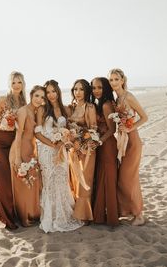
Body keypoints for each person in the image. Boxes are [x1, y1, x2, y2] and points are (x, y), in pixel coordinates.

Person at [35, 80, 83, 233]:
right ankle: (51, 216)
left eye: (53, 91)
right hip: (47, 151)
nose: (51, 95)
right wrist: (52, 143)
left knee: (62, 181)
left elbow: (69, 130)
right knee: (49, 183)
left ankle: (64, 216)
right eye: (48, 92)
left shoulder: (65, 109)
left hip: (61, 151)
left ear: (58, 92)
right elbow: (37, 133)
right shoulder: (42, 109)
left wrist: (67, 140)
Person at [108, 68, 148, 226]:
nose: (113, 82)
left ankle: (139, 215)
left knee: (128, 178)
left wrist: (130, 128)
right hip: (122, 141)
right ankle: (129, 211)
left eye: (116, 79)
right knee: (124, 178)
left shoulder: (128, 96)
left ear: (123, 80)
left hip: (132, 141)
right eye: (111, 80)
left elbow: (145, 117)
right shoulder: (116, 99)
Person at [0, 71, 26, 230]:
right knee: (3, 180)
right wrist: (4, 125)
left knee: (14, 179)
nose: (17, 85)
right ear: (9, 84)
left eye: (19, 82)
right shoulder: (3, 100)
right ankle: (7, 218)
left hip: (13, 143)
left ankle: (15, 212)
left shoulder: (24, 101)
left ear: (23, 83)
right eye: (14, 83)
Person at [9, 85, 45, 227]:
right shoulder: (23, 111)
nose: (39, 99)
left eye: (42, 97)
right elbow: (18, 135)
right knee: (24, 184)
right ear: (31, 95)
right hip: (20, 149)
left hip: (31, 149)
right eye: (37, 95)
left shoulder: (37, 111)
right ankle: (25, 217)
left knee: (33, 181)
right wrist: (18, 157)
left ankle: (33, 214)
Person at [67, 79, 97, 224]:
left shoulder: (89, 107)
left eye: (81, 89)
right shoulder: (71, 107)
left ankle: (84, 215)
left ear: (86, 91)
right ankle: (77, 212)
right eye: (75, 89)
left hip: (87, 150)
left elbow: (93, 129)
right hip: (74, 150)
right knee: (75, 180)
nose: (77, 92)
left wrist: (83, 140)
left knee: (84, 181)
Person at [91, 77, 119, 226]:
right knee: (102, 178)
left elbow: (112, 129)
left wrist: (100, 141)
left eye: (99, 88)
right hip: (102, 144)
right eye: (94, 88)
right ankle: (101, 215)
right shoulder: (98, 103)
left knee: (108, 179)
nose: (96, 91)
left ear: (105, 89)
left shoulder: (106, 105)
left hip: (107, 145)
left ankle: (112, 217)